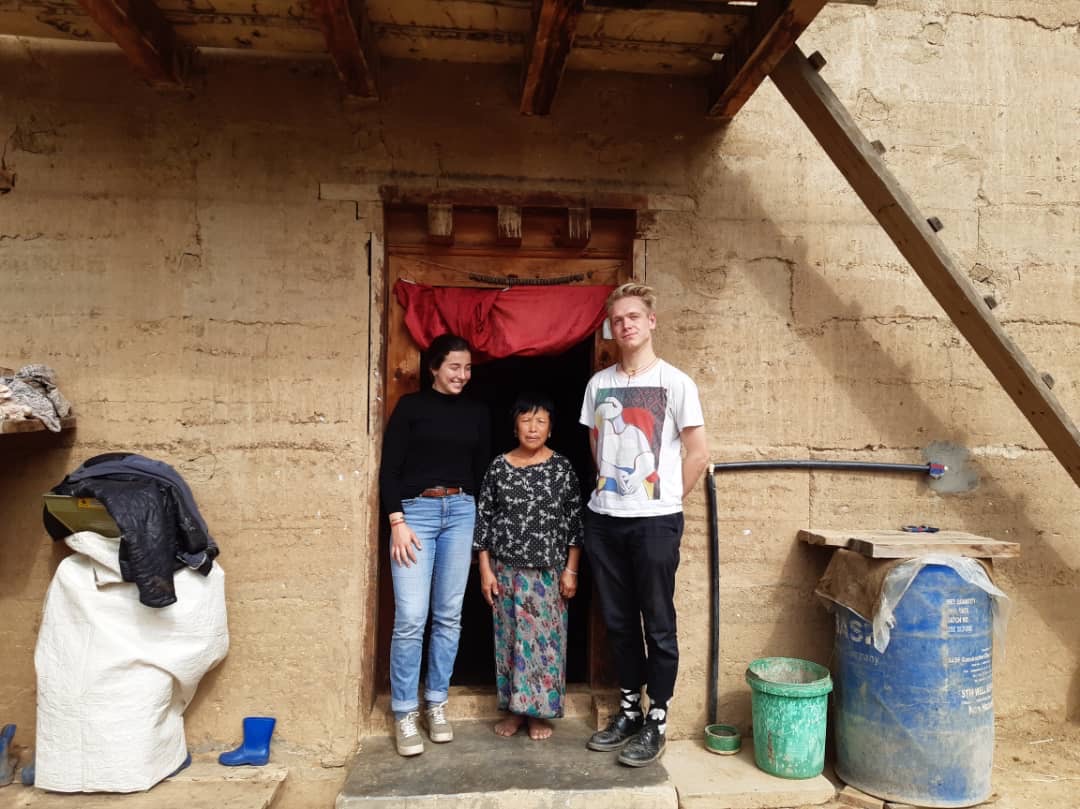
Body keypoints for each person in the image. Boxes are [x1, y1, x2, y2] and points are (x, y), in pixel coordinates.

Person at [579, 283, 709, 767]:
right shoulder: (598, 385)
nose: (625, 325)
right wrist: (613, 491)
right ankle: (630, 709)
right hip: (604, 520)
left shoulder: (676, 383)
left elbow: (698, 453)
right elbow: (597, 445)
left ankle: (658, 717)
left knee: (657, 621)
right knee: (617, 621)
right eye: (617, 319)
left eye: (633, 316)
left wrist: (667, 500)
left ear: (651, 321)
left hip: (655, 521)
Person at [379, 333, 491, 757]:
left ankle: (436, 703)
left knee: (448, 615)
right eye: (454, 367)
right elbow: (389, 470)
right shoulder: (411, 408)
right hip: (416, 515)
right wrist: (397, 521)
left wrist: (481, 530)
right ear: (434, 368)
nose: (462, 375)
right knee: (410, 617)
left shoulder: (478, 412)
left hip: (461, 512)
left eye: (468, 368)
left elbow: (482, 474)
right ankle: (405, 712)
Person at [473, 392, 584, 741]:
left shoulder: (562, 468)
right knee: (510, 642)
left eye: (540, 421)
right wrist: (485, 570)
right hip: (505, 571)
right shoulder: (499, 467)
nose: (532, 428)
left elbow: (575, 523)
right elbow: (483, 521)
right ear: (515, 426)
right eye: (525, 420)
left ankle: (538, 714)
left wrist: (571, 570)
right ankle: (514, 711)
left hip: (548, 572)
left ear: (550, 428)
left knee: (543, 644)